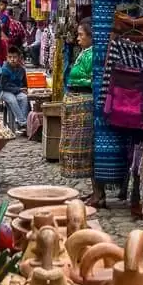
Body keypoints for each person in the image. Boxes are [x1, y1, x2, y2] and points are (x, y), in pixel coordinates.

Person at [60, 19, 104, 205]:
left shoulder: (93, 55)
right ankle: (96, 192)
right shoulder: (84, 53)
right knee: (88, 153)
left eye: (81, 35)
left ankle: (99, 194)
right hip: (79, 105)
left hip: (86, 106)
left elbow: (95, 80)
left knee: (90, 151)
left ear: (91, 36)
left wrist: (80, 84)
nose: (78, 38)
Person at [0, 46, 29, 133]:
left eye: (15, 57)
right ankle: (22, 122)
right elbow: (4, 86)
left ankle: (19, 123)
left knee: (24, 98)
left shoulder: (22, 70)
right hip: (4, 92)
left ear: (19, 58)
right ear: (7, 58)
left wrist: (24, 89)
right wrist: (19, 89)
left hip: (17, 91)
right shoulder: (4, 69)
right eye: (10, 57)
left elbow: (24, 84)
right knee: (12, 100)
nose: (12, 59)